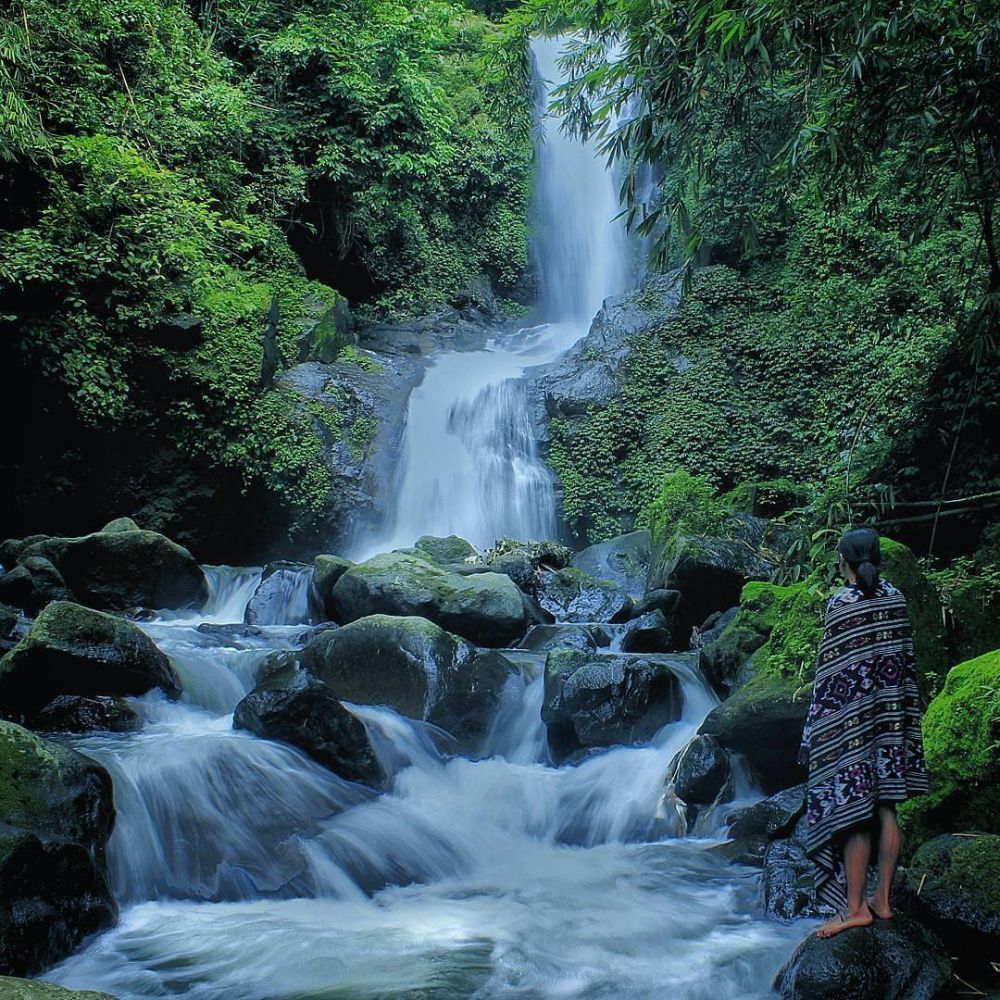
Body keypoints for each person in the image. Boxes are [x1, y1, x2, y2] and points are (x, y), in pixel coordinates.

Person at [798, 526, 929, 939]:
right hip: (891, 719)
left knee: (854, 813)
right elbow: (904, 661)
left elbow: (830, 675)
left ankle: (855, 909)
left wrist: (817, 732)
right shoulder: (896, 597)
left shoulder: (841, 604)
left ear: (845, 561)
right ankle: (884, 900)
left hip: (852, 724)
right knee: (886, 806)